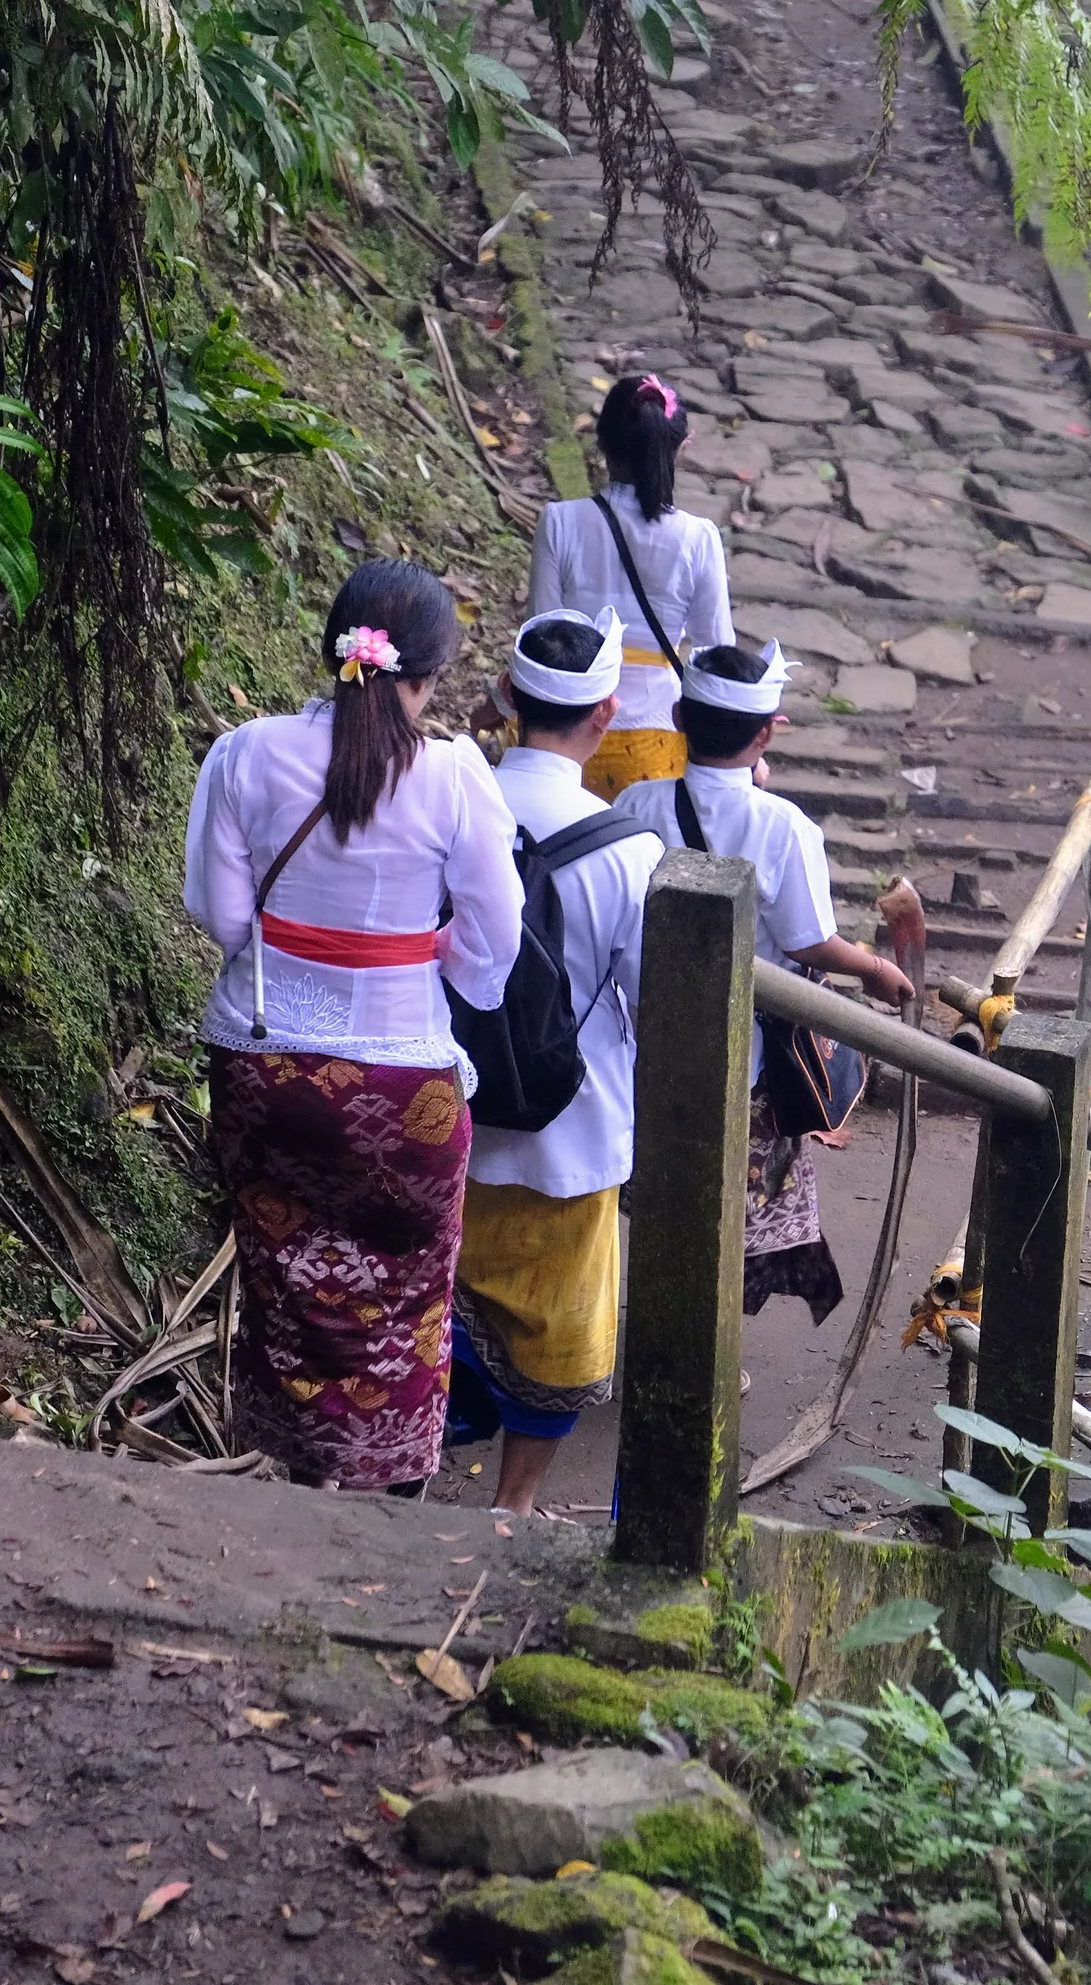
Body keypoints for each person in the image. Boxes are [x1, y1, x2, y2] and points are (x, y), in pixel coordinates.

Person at [184, 560, 523, 1494]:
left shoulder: (245, 754)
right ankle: (387, 1490)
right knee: (406, 1304)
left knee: (286, 1289)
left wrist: (300, 952)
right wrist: (427, 961)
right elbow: (495, 942)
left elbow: (220, 918)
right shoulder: (454, 779)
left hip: (264, 1072)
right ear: (430, 677)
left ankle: (289, 1475)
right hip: (400, 1090)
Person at [614, 642, 914, 1321]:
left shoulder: (635, 803)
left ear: (679, 716)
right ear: (765, 731)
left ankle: (663, 1323)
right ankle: (705, 1338)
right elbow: (811, 939)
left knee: (669, 1194)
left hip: (650, 1049)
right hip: (747, 1057)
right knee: (735, 1207)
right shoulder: (783, 825)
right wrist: (871, 967)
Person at [451, 610, 664, 1513]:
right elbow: (651, 1000)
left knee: (435, 1297)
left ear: (508, 699)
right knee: (559, 1331)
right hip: (569, 1132)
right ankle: (515, 1507)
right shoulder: (632, 852)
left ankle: (404, 1467)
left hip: (445, 1105)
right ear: (605, 715)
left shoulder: (450, 805)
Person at [525, 373, 732, 801]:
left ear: (600, 445)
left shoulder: (560, 522)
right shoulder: (698, 537)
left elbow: (541, 637)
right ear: (678, 448)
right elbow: (716, 653)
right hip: (657, 741)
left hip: (568, 738)